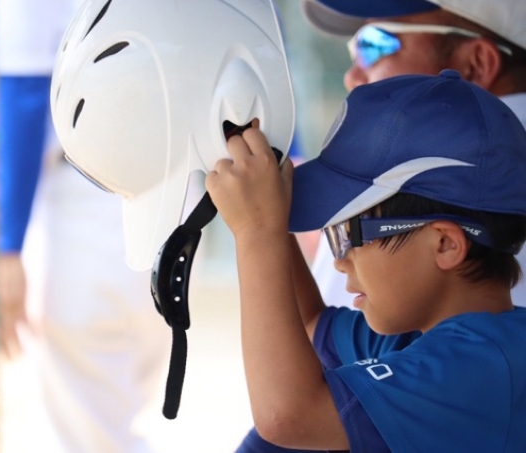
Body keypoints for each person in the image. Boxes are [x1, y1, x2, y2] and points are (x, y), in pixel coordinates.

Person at [208, 70, 526, 451]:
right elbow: (309, 326)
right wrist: (266, 214)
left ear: (444, 244)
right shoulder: (419, 339)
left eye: (351, 235)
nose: (339, 261)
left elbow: (289, 415)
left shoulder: (485, 368)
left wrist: (257, 232)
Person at [0, 1, 170, 451]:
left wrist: (7, 245)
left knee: (93, 431)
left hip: (86, 203)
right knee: (115, 415)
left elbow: (25, 89)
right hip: (172, 188)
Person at [299, 0, 526, 309]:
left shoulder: (406, 170)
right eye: (355, 49)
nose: (351, 75)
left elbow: (315, 335)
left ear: (477, 62)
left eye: (373, 45)